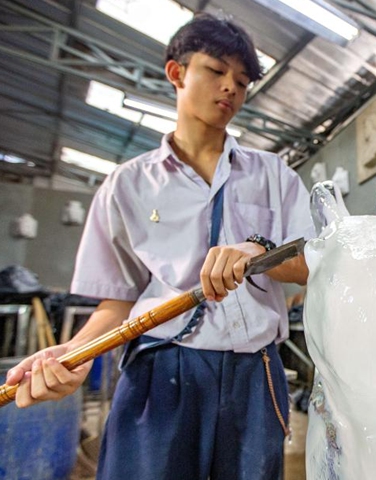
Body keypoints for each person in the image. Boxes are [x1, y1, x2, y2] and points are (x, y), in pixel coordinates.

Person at [5, 13, 315, 480]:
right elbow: (117, 302)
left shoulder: (275, 176)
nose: (230, 87)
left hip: (254, 375)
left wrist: (259, 253)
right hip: (161, 369)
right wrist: (71, 354)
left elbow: (314, 264)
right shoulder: (127, 186)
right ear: (177, 73)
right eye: (216, 71)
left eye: (242, 80)